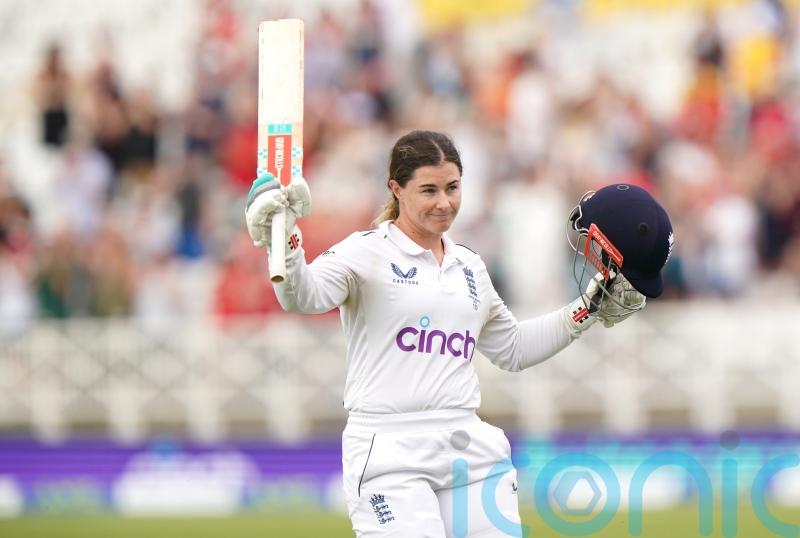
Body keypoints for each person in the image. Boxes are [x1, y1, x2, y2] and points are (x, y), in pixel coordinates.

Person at [245, 130, 672, 537]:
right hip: (389, 451)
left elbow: (512, 349)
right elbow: (301, 296)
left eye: (452, 188)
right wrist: (281, 243)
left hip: (467, 447)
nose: (444, 203)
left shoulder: (469, 266)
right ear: (396, 189)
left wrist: (589, 308)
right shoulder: (365, 252)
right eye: (429, 190)